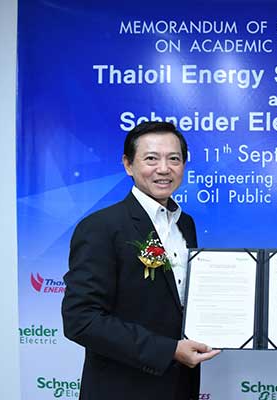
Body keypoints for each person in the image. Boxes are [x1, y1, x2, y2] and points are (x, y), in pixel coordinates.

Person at [62, 121, 220, 400]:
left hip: (181, 385)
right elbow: (81, 320)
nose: (164, 169)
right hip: (123, 387)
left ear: (184, 165)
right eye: (151, 159)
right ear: (128, 164)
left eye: (174, 159)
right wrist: (169, 350)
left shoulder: (186, 224)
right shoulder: (101, 227)